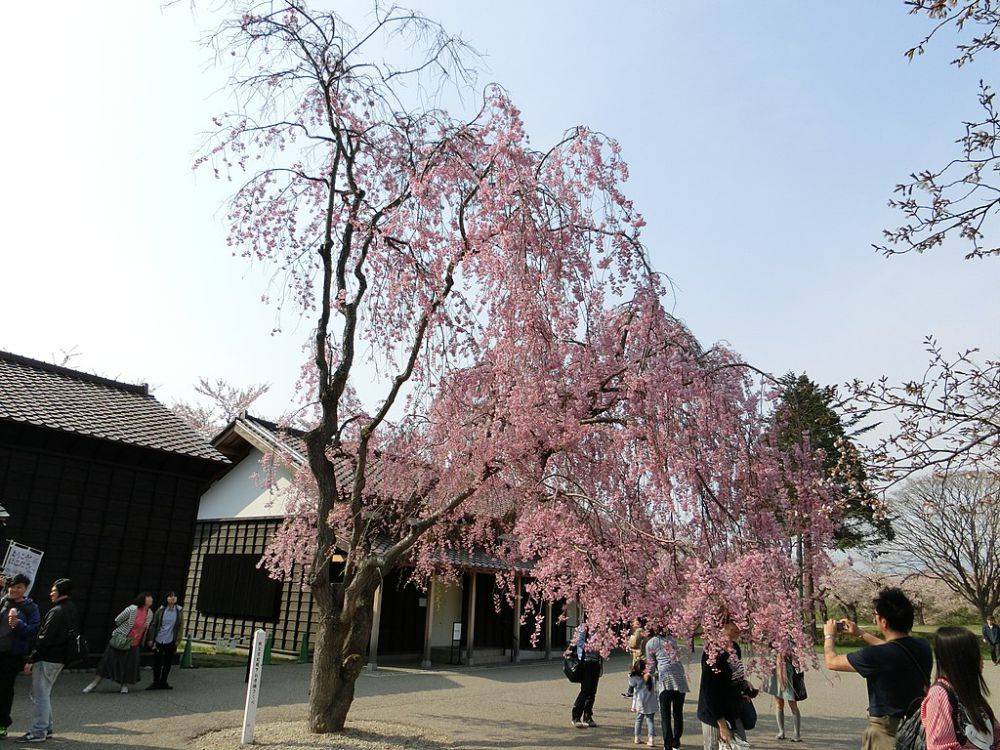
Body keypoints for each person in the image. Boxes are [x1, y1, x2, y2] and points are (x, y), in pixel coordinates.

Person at [823, 586, 932, 750]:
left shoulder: (876, 656)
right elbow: (894, 649)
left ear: (884, 622)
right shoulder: (923, 646)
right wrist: (860, 633)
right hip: (917, 729)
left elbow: (831, 661)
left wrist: (829, 635)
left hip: (885, 732)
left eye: (876, 615)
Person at [18, 578, 78, 743]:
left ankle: (38, 731)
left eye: (54, 590)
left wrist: (32, 658)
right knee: (44, 693)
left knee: (40, 695)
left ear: (61, 592)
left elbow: (44, 638)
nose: (51, 593)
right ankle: (47, 728)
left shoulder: (56, 611)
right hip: (60, 657)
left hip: (48, 657)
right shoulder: (71, 608)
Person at [698, 618, 756, 750]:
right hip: (714, 716)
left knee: (741, 746)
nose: (739, 627)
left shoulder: (734, 647)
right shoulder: (712, 651)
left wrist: (743, 684)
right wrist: (722, 725)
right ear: (723, 625)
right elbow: (709, 691)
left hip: (734, 711)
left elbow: (735, 675)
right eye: (734, 624)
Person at [84, 592, 153, 694]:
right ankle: (94, 683)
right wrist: (125, 629)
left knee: (128, 665)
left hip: (134, 643)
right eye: (148, 598)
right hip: (121, 639)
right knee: (107, 662)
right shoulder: (132, 609)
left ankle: (124, 685)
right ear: (143, 599)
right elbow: (118, 619)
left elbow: (146, 628)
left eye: (151, 598)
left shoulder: (150, 613)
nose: (151, 599)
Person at [0, 575, 40, 738]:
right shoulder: (3, 601)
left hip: (12, 655)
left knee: (4, 689)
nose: (15, 589)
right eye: (12, 586)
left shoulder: (30, 607)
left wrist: (18, 624)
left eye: (19, 587)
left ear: (25, 589)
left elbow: (34, 630)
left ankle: (2, 724)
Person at [646, 627, 689, 749]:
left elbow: (651, 666)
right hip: (679, 678)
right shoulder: (672, 640)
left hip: (665, 679)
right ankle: (676, 742)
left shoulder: (651, 643)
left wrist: (649, 677)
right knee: (678, 713)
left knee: (665, 715)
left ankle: (668, 744)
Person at [565, 623, 602, 729]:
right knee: (585, 690)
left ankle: (588, 716)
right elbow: (579, 642)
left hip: (596, 662)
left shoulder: (601, 627)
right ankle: (576, 717)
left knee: (592, 692)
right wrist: (592, 646)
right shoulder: (584, 627)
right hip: (586, 661)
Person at [147, 591, 183, 690]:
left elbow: (180, 626)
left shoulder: (179, 610)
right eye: (170, 596)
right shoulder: (161, 610)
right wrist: (151, 638)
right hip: (159, 638)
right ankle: (155, 682)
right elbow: (154, 624)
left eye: (174, 596)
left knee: (168, 662)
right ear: (166, 598)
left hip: (171, 639)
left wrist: (178, 639)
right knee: (157, 662)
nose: (173, 598)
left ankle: (164, 682)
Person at [762, 652, 802, 742]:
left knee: (793, 704)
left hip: (788, 672)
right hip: (775, 670)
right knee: (779, 703)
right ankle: (781, 731)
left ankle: (797, 733)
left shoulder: (791, 641)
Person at [627, 657, 658, 747]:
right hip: (650, 701)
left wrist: (631, 672)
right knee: (650, 720)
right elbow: (655, 675)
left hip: (640, 701)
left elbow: (631, 684)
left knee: (639, 719)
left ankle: (637, 737)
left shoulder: (635, 677)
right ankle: (651, 739)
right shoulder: (649, 676)